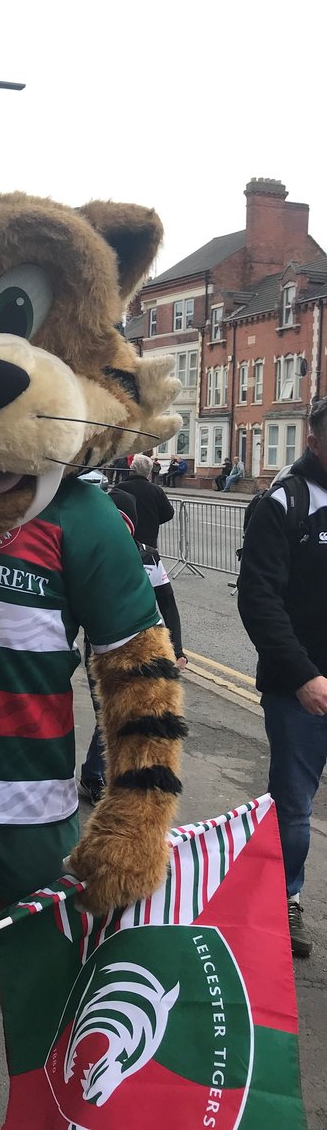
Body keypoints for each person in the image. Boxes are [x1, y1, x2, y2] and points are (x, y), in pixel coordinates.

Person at [237, 398, 327, 959]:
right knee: (293, 807)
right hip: (302, 688)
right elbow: (258, 598)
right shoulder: (285, 501)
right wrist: (302, 676)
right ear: (314, 438)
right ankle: (284, 899)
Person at [79, 486, 187, 803]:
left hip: (145, 649)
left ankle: (104, 775)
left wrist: (177, 649)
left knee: (130, 717)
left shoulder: (149, 557)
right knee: (107, 712)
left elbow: (168, 604)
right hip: (101, 647)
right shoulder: (91, 553)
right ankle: (95, 775)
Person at [114, 452, 174, 547]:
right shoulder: (156, 490)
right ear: (149, 472)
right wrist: (154, 520)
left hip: (126, 538)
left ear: (132, 469)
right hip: (149, 539)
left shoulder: (120, 488)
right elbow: (168, 513)